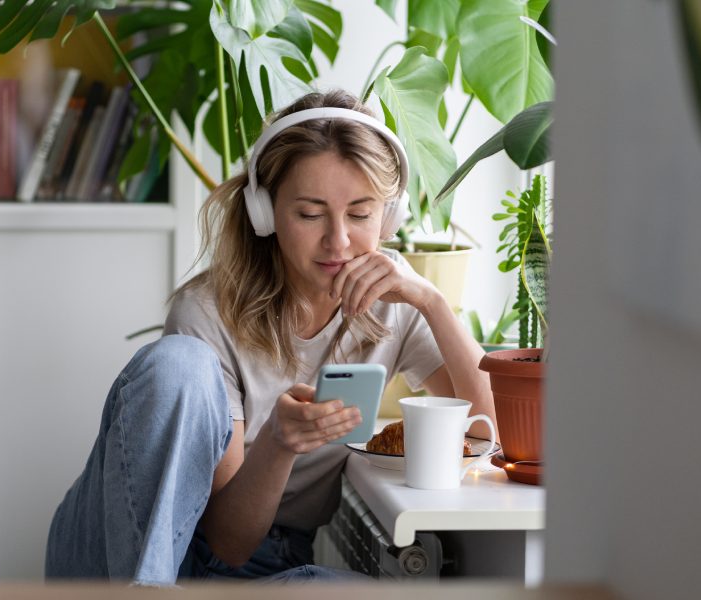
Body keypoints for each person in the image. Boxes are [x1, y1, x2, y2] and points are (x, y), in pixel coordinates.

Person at [44, 89, 497, 585]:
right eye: (309, 213)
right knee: (178, 363)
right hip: (126, 553)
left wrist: (431, 301)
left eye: (362, 214)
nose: (339, 241)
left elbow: (489, 430)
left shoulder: (394, 297)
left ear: (389, 218)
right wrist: (279, 444)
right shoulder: (207, 312)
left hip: (259, 565)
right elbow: (227, 540)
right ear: (265, 212)